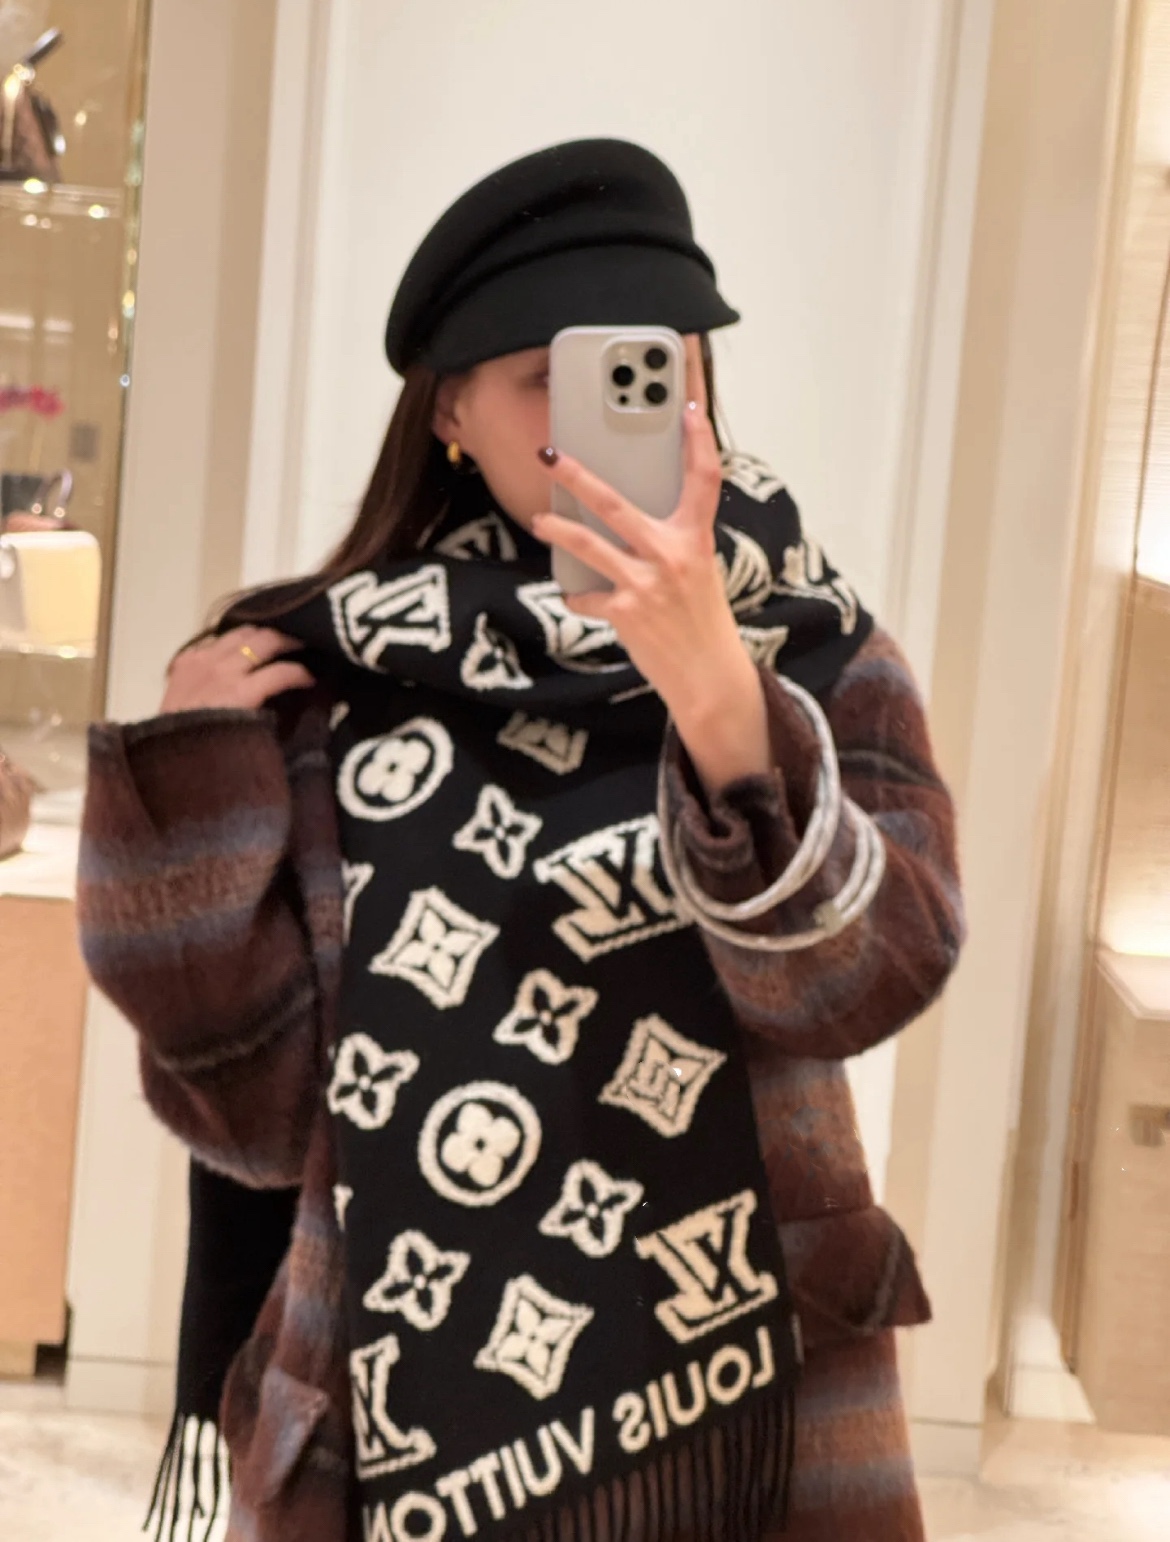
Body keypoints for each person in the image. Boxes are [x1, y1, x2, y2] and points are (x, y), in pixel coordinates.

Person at [79, 140, 963, 1542]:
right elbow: (256, 1122)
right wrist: (189, 793)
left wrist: (721, 702)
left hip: (755, 1418)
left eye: (651, 366)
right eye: (549, 377)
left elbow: (864, 985)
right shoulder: (329, 682)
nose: (606, 419)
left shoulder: (816, 652)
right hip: (400, 1426)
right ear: (450, 412)